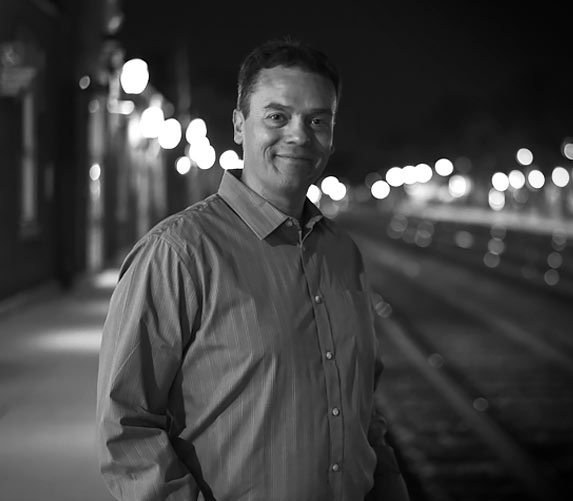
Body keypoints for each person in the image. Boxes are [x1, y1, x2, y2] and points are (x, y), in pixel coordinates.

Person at [96, 36, 410, 501]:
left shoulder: (344, 254)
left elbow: (363, 411)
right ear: (240, 126)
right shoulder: (178, 254)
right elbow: (126, 427)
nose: (300, 135)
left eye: (317, 120)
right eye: (277, 116)